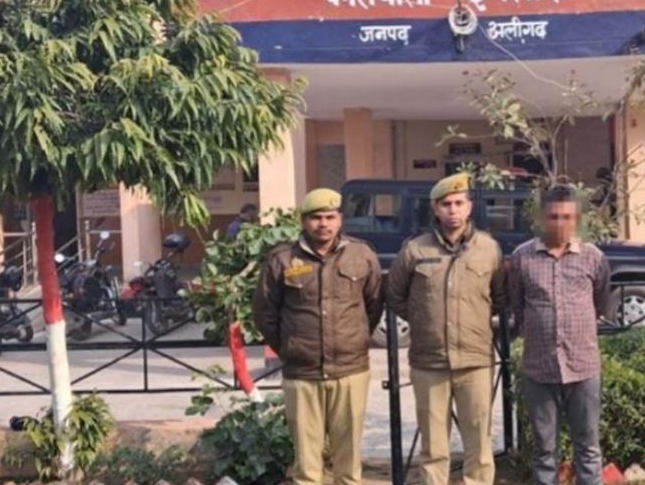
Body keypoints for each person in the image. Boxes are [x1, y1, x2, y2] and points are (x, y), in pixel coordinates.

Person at [253, 188, 382, 485]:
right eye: (316, 218)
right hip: (302, 373)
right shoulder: (281, 259)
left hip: (350, 371)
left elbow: (373, 305)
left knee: (348, 461)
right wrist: (291, 347)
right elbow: (265, 313)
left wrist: (354, 340)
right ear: (303, 221)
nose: (323, 224)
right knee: (307, 463)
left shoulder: (362, 254)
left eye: (330, 217)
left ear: (340, 220)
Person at [387, 172, 507, 485]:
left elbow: (499, 297)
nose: (452, 210)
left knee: (479, 446)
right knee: (433, 448)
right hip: (430, 363)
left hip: (475, 362)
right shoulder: (415, 250)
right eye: (445, 204)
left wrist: (472, 321)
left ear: (469, 207)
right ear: (435, 209)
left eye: (458, 203)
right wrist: (424, 320)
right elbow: (395, 296)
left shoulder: (489, 249)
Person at [508, 185, 610, 485]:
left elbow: (600, 302)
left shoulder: (593, 258)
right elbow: (517, 304)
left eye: (567, 217)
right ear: (542, 218)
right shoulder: (523, 258)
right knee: (544, 451)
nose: (560, 223)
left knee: (588, 448)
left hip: (583, 367)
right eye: (553, 217)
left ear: (576, 219)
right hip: (540, 368)